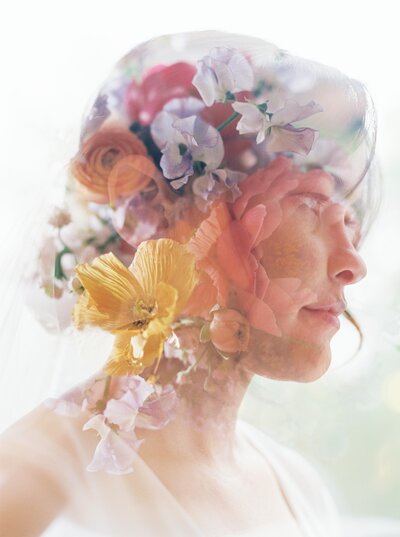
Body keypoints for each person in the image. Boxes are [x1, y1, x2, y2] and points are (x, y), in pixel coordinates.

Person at [0, 30, 380, 537]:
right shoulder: (32, 489)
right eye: (311, 204)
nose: (353, 264)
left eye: (350, 216)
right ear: (160, 213)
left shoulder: (296, 485)